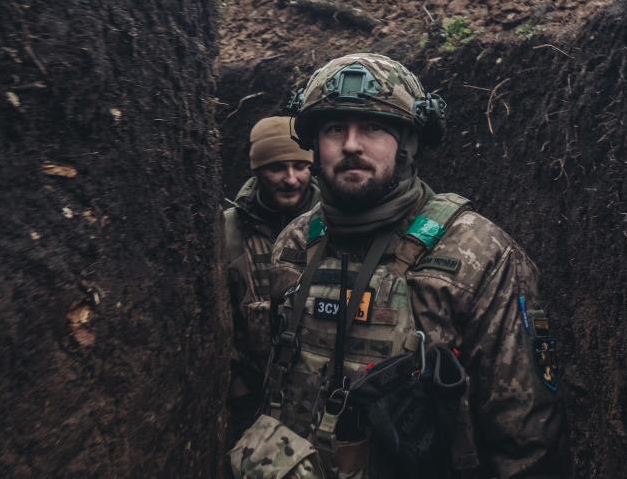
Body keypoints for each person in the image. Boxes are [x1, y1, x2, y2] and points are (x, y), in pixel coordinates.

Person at [230, 54, 570, 478]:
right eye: (335, 128)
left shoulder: (478, 255)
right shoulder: (296, 243)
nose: (351, 144)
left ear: (407, 143)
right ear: (316, 144)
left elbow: (525, 443)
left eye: (373, 126)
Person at [220, 116, 320, 445]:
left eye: (300, 166)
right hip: (253, 403)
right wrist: (240, 395)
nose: (291, 179)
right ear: (256, 170)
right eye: (277, 167)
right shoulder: (227, 233)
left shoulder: (337, 224)